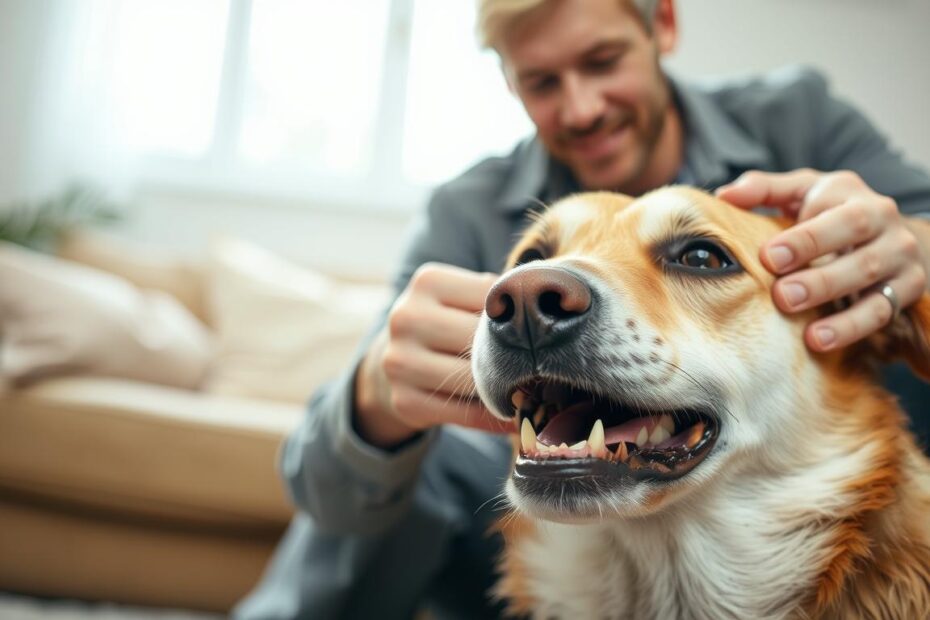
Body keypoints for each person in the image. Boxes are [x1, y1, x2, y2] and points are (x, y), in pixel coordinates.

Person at [235, 0, 930, 617]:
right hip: (537, 546)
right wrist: (378, 395)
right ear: (509, 81)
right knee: (427, 443)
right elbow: (318, 484)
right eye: (541, 81)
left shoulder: (798, 117)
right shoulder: (466, 209)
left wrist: (915, 251)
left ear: (662, 21)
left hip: (810, 499)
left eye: (696, 255)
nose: (581, 107)